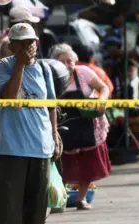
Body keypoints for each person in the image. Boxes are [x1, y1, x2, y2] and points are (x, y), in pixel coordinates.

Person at [0, 23, 59, 224]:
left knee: (37, 201)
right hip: (12, 146)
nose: (28, 47)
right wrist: (19, 64)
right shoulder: (4, 67)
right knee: (9, 201)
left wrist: (54, 133)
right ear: (12, 46)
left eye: (31, 42)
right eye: (22, 43)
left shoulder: (44, 70)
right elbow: (10, 99)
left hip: (39, 144)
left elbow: (50, 104)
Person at [50, 43, 111, 210]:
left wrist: (101, 101)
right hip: (62, 125)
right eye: (62, 61)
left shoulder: (84, 73)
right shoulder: (51, 77)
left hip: (87, 124)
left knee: (88, 164)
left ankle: (81, 198)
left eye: (70, 61)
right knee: (61, 163)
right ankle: (59, 200)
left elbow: (103, 88)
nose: (67, 65)